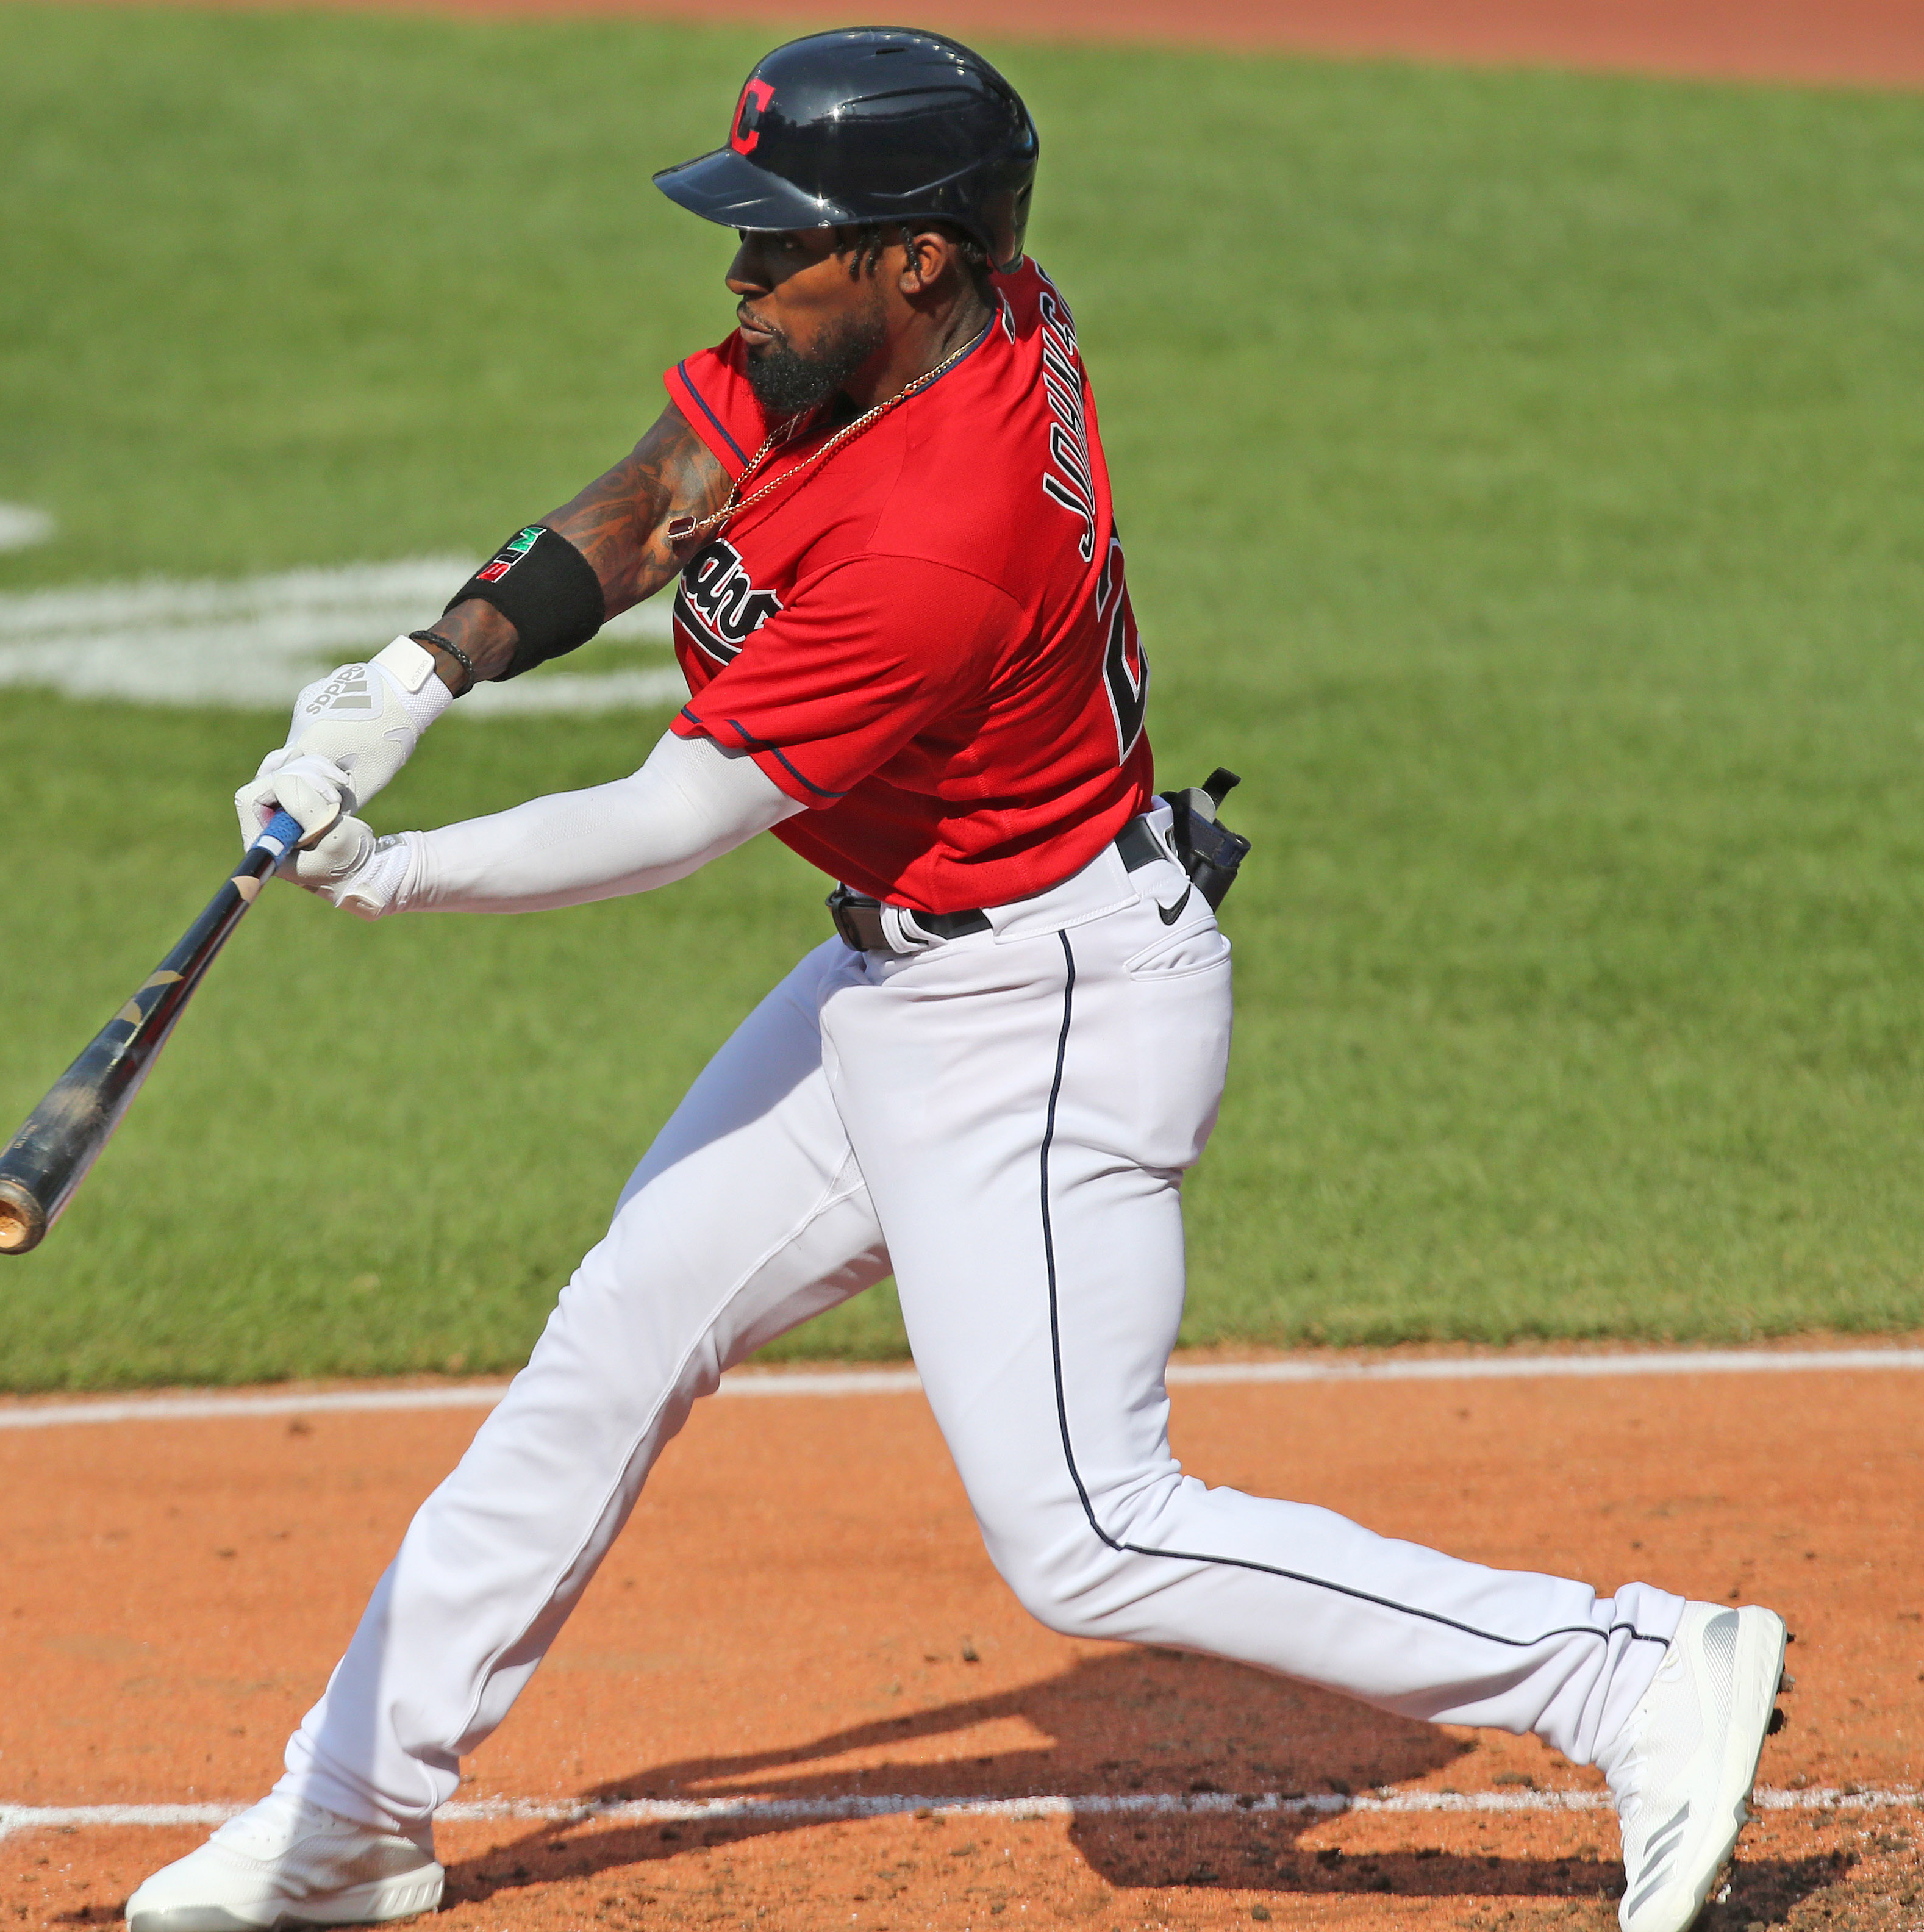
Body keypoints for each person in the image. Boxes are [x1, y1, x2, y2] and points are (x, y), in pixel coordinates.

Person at [123, 30, 1784, 1932]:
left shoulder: (941, 529)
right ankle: (349, 1815)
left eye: (785, 241)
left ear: (916, 255)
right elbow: (668, 485)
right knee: (613, 1341)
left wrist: (385, 865)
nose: (742, 277)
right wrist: (421, 678)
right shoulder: (911, 320)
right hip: (895, 984)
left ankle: (1631, 1675)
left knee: (1087, 1537)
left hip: (1045, 1017)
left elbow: (679, 816)